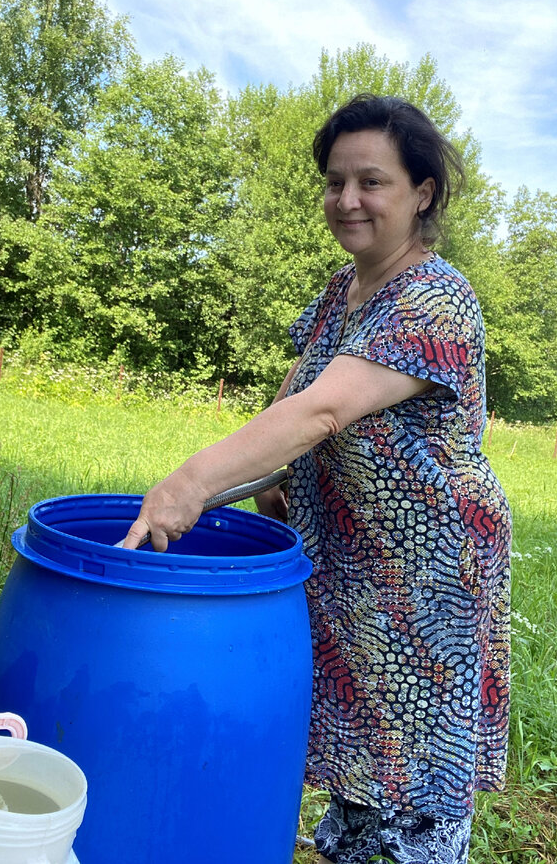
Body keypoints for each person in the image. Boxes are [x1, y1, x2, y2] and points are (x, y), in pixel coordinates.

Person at [120, 94, 510, 864]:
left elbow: (325, 411)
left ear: (422, 193)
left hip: (428, 575)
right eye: (335, 182)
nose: (348, 200)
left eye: (373, 182)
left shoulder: (435, 295)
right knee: (362, 755)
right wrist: (264, 485)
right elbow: (291, 403)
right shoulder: (343, 290)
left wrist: (190, 484)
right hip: (352, 555)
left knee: (412, 775)